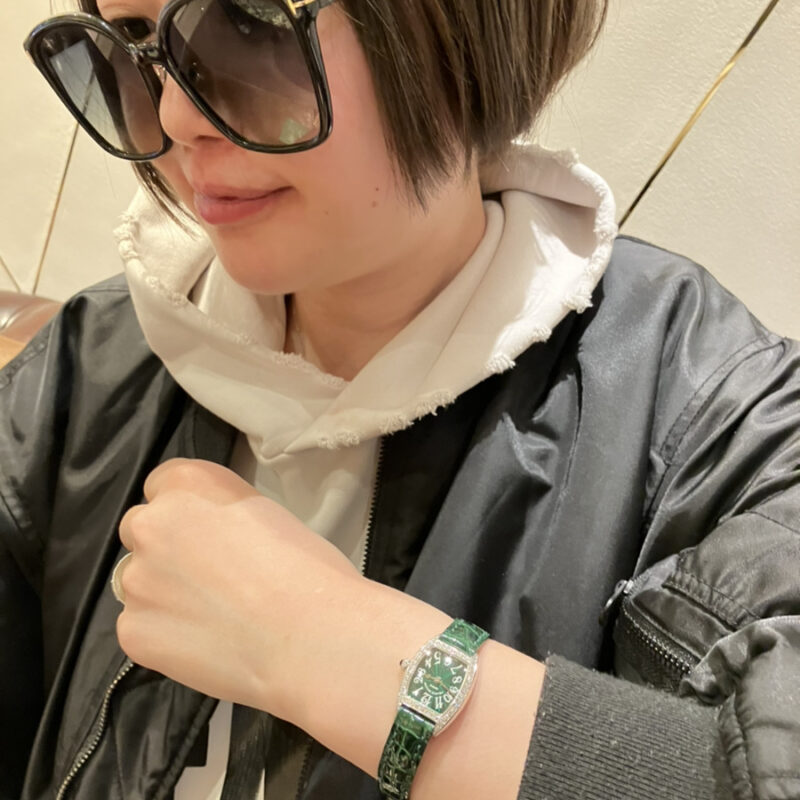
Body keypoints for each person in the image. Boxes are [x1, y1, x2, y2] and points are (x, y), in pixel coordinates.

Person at [5, 0, 799, 798]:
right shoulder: (84, 366)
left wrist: (325, 645)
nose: (176, 116)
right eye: (132, 42)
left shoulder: (717, 415)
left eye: (246, 24)